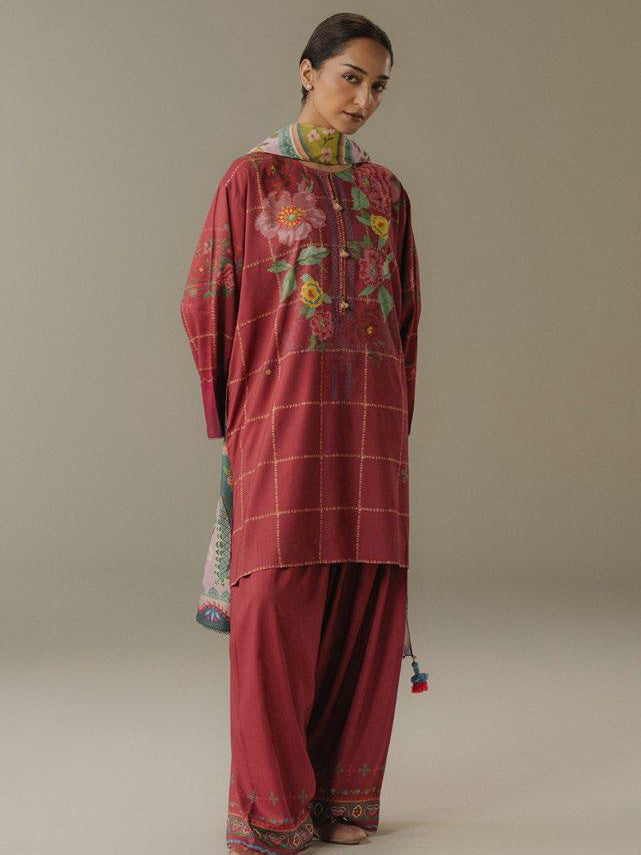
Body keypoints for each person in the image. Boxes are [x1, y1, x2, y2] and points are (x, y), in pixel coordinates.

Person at [179, 13, 428, 854]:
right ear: (306, 71)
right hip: (281, 419)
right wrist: (236, 417)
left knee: (366, 602)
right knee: (274, 610)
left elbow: (405, 317)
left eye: (378, 85)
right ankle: (271, 809)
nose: (363, 98)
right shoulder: (253, 179)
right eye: (350, 76)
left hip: (369, 426)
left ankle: (343, 796)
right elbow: (205, 298)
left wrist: (395, 417)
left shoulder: (385, 192)